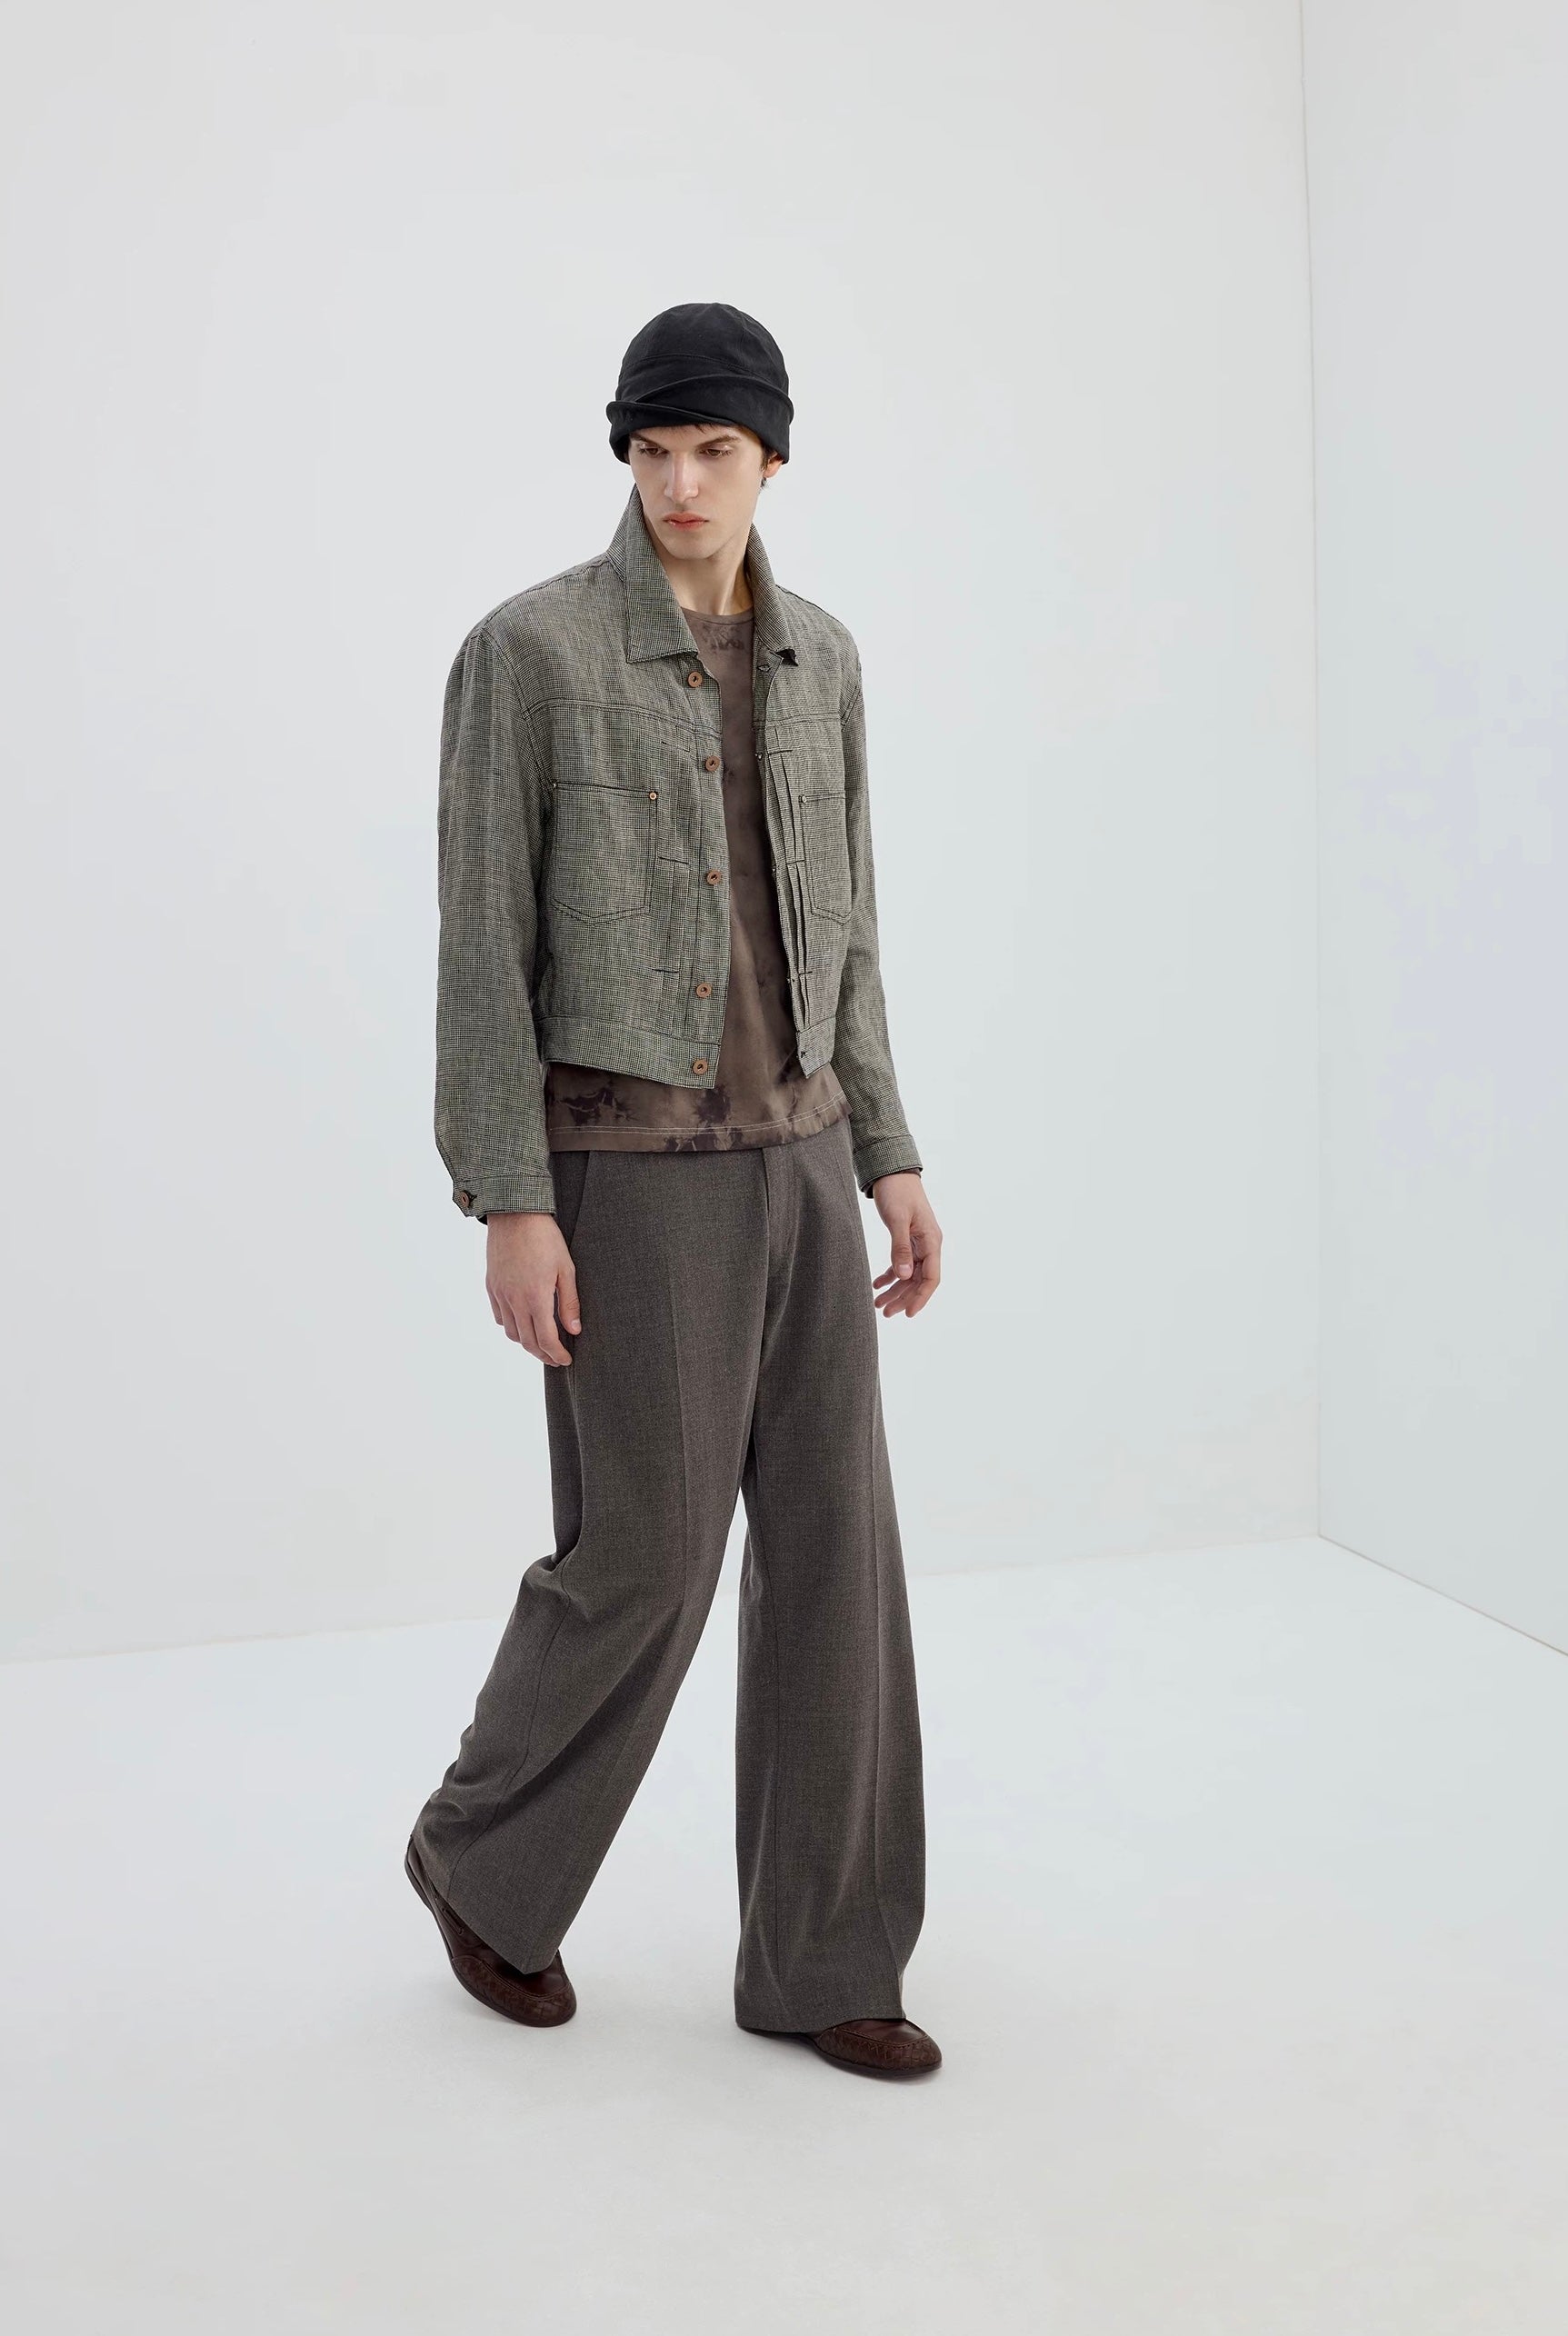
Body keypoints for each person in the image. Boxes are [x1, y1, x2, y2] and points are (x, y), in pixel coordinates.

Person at [405, 302, 944, 2078]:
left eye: (713, 450)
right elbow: (481, 950)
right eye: (652, 451)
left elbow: (851, 932)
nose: (681, 483)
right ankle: (483, 1857)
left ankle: (824, 1958)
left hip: (800, 1160)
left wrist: (886, 1150)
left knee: (835, 1558)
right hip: (626, 1174)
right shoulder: (531, 653)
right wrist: (510, 1194)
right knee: (642, 1555)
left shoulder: (822, 660)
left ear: (770, 458)